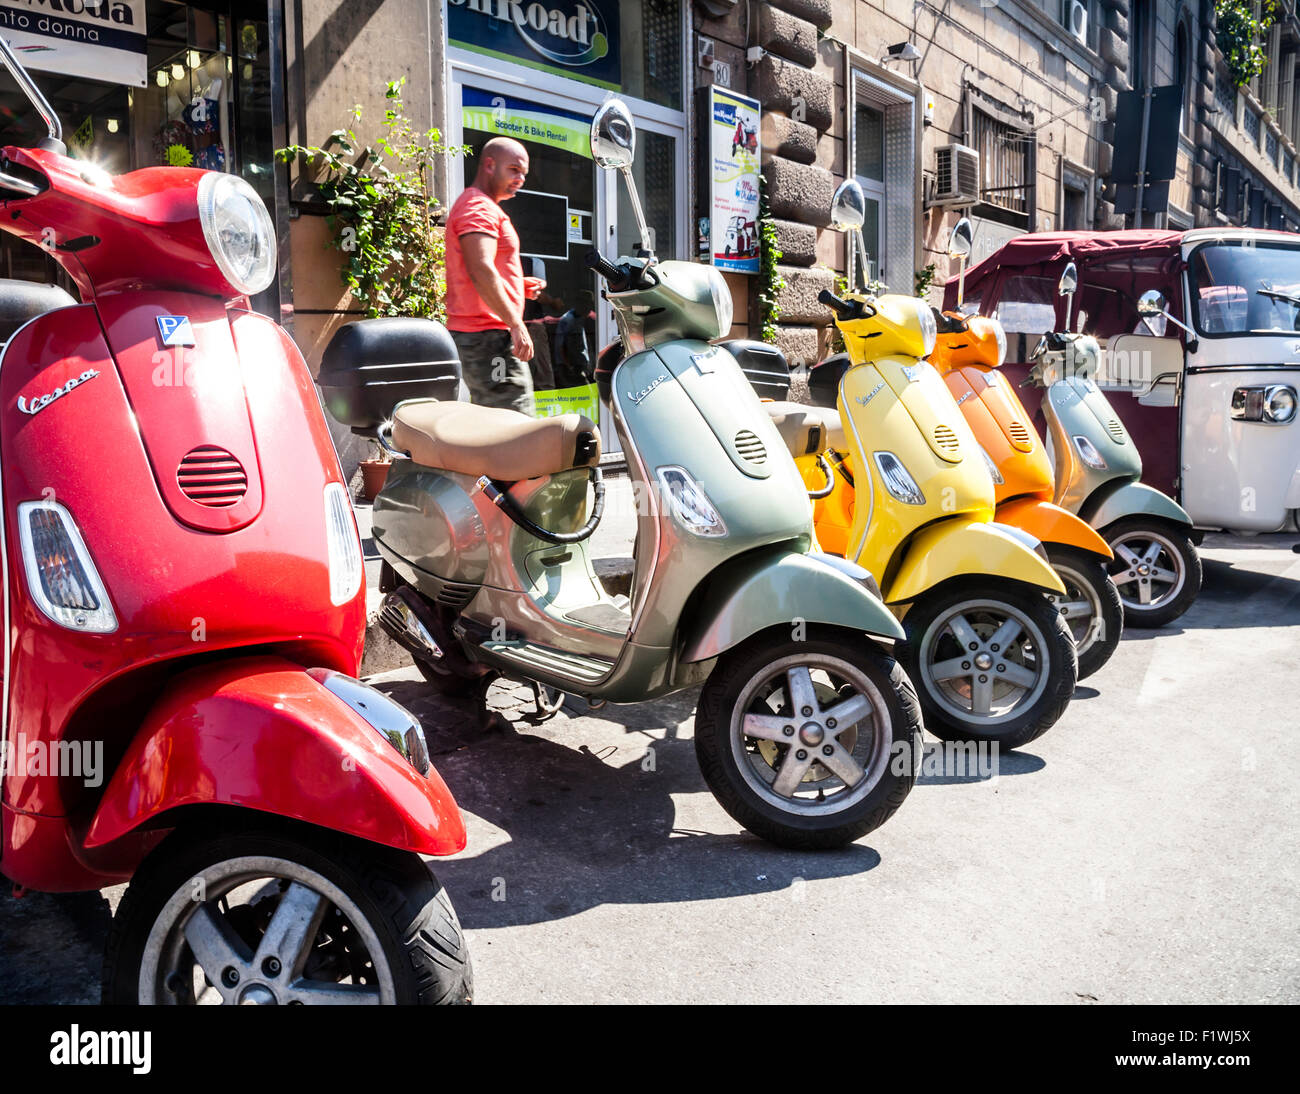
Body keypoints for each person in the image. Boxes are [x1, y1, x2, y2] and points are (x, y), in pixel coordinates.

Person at [445, 137, 536, 413]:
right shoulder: (478, 207)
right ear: (489, 164)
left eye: (524, 173)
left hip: (485, 335)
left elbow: (484, 269)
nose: (520, 178)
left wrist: (518, 287)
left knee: (499, 427)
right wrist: (516, 324)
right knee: (514, 428)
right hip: (489, 337)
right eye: (514, 169)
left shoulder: (481, 205)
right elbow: (481, 269)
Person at [554, 290, 595, 388]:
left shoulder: (581, 318)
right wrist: (570, 367)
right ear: (579, 304)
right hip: (571, 368)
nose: (590, 309)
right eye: (587, 305)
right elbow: (561, 347)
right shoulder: (569, 321)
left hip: (581, 367)